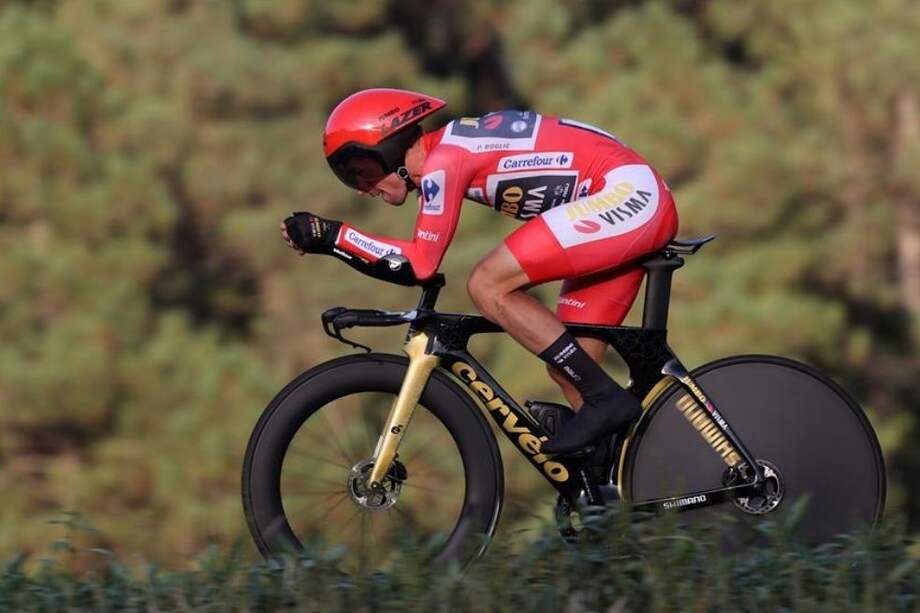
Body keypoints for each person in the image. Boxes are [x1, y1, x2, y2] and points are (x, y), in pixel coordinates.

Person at [280, 88, 678, 456]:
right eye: (349, 179)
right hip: (626, 196)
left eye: (361, 170)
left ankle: (608, 402)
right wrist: (335, 240)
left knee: (488, 284)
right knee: (572, 372)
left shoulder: (444, 160)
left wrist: (333, 236)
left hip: (625, 195)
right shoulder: (449, 150)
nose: (363, 186)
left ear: (389, 143)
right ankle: (632, 492)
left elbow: (419, 265)